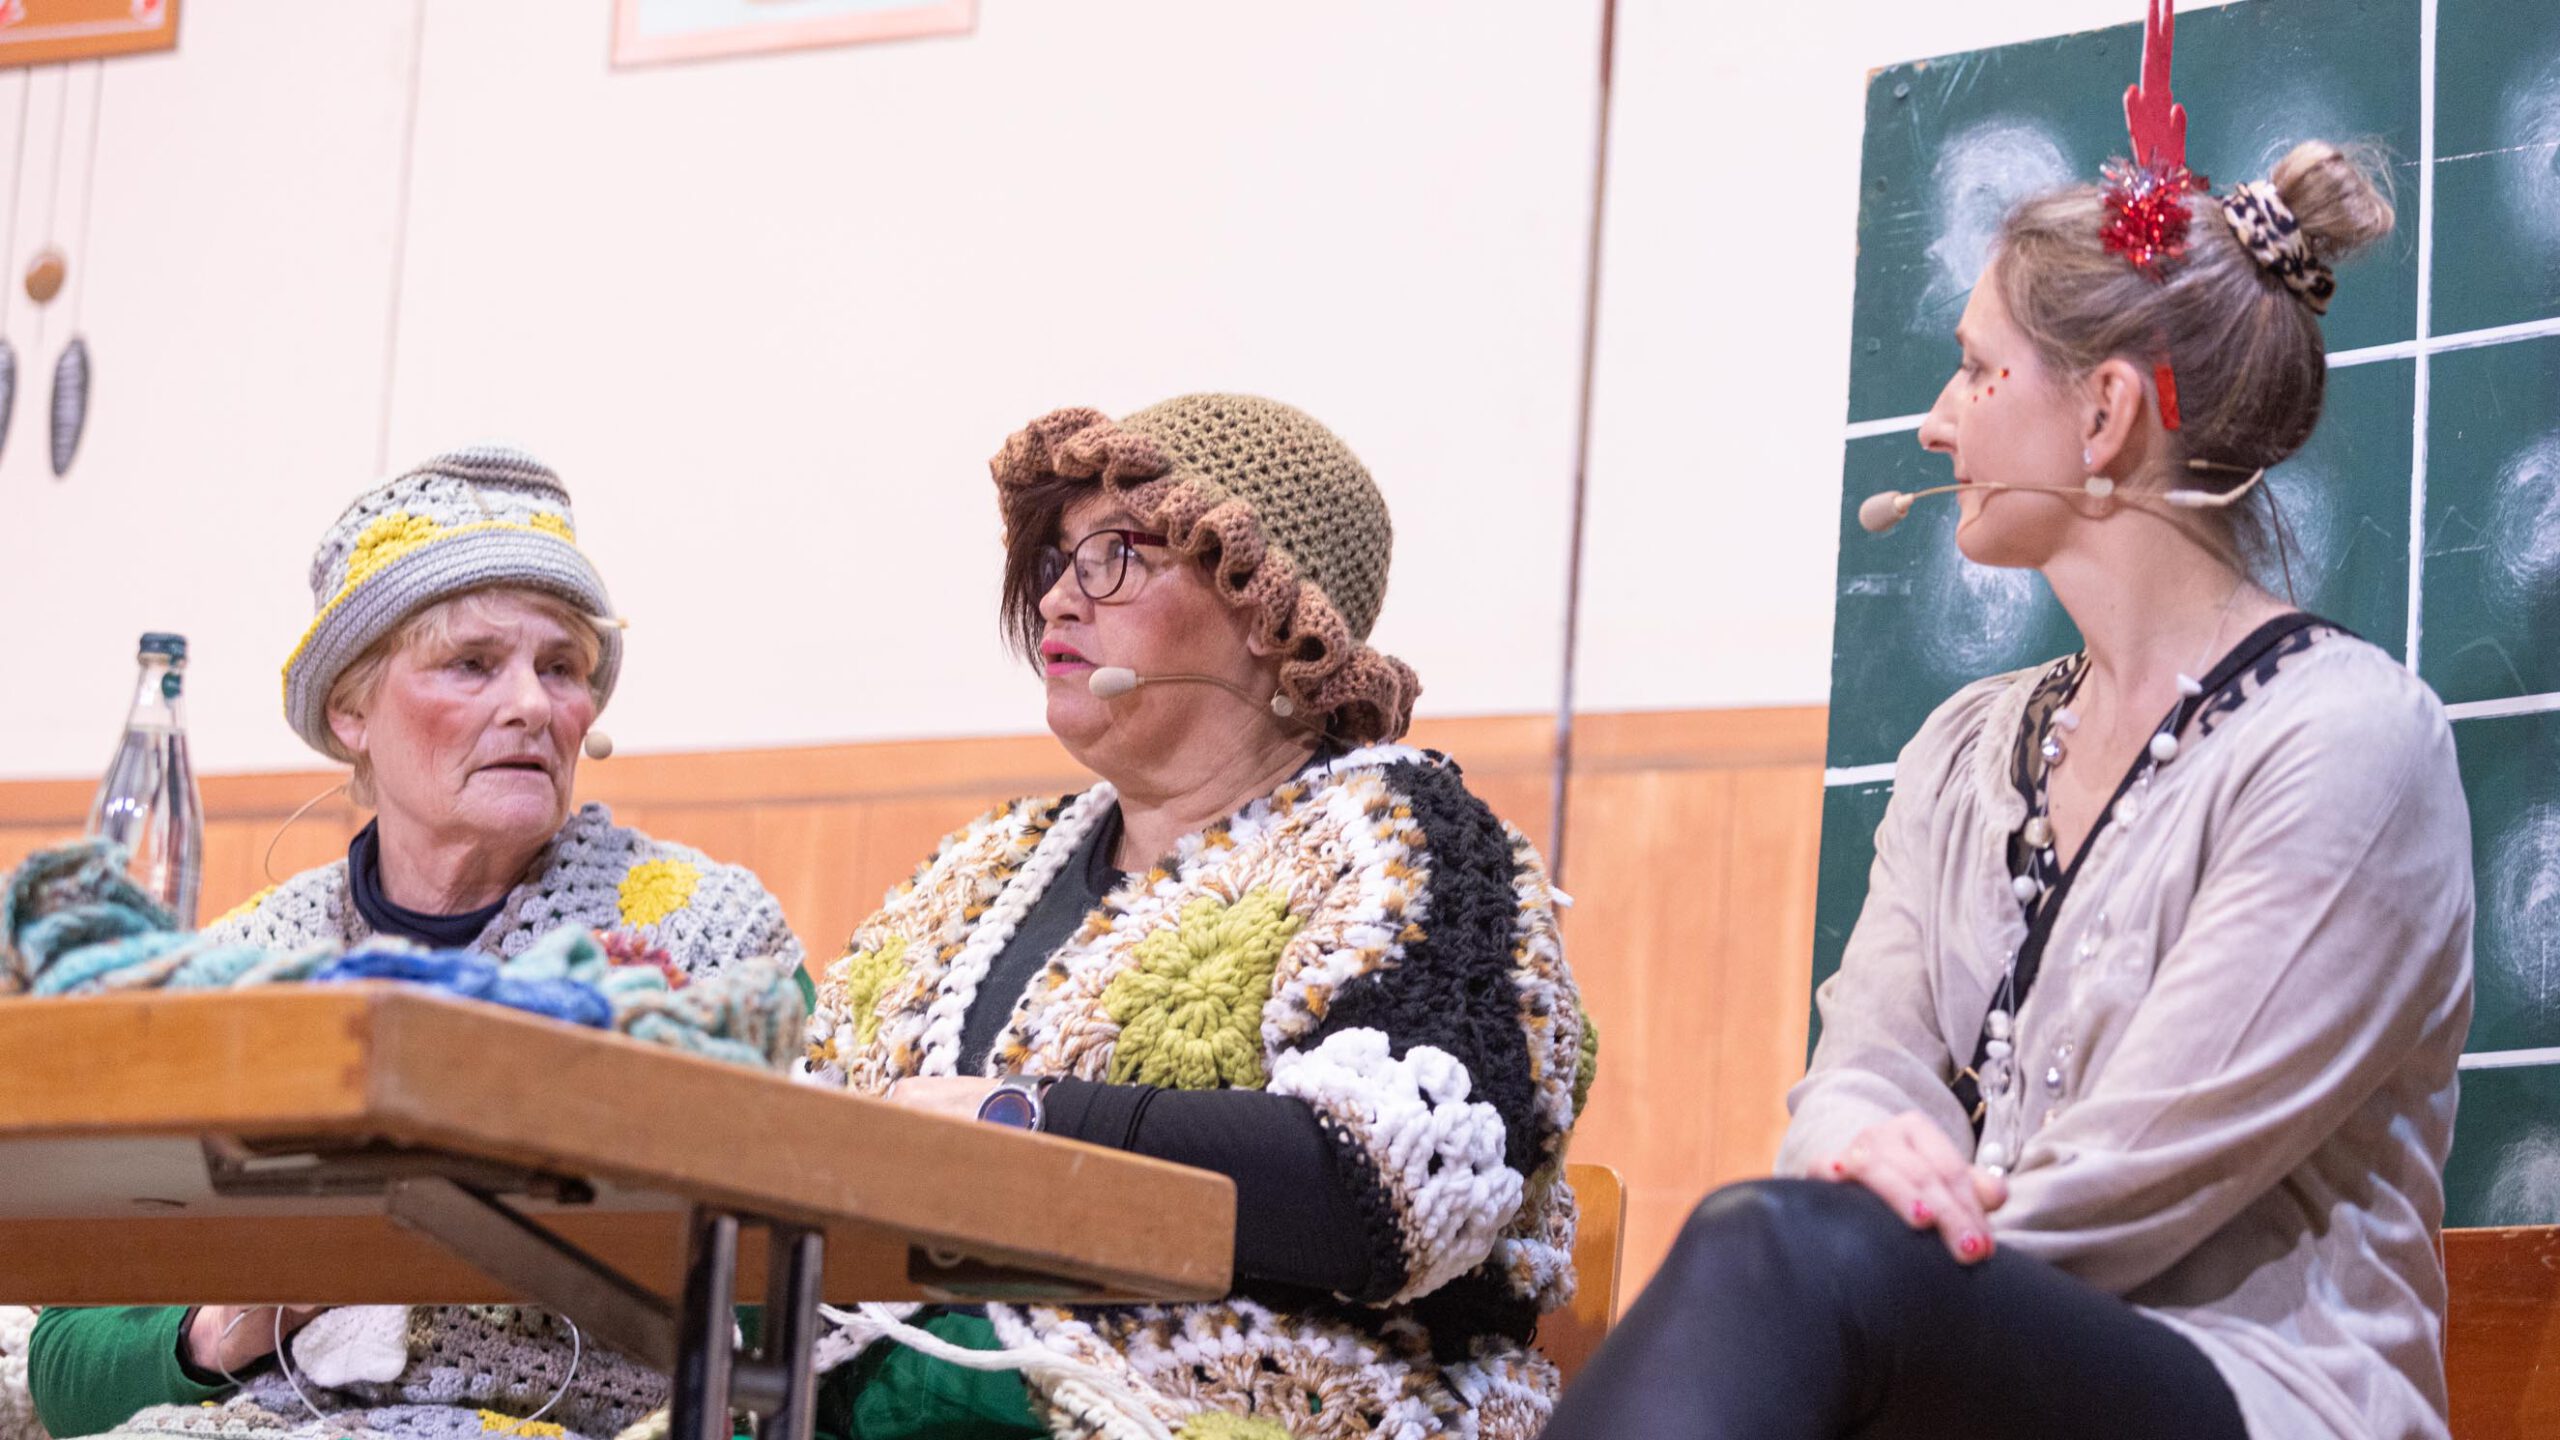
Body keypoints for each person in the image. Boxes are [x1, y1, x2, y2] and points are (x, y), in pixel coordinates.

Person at [1542, 120, 2475, 1440]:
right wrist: (1858, 1165)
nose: (1937, 423)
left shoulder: (2348, 742)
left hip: (2264, 1399)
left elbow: (2139, 1179)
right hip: (1964, 1356)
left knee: (1779, 1250)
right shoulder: (1962, 749)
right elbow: (1861, 1070)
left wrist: (1870, 1250)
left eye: (1979, 371)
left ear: (2104, 414)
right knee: (1793, 1248)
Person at [796, 394, 1590, 1439]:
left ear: (1271, 613)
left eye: (1114, 556)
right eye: (1055, 561)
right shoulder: (980, 867)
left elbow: (1400, 1178)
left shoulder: (1409, 840)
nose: (1056, 601)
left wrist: (1021, 1124)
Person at [24, 446, 804, 1440]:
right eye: (472, 664)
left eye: (560, 668)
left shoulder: (711, 946)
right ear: (350, 712)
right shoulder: (245, 970)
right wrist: (221, 1330)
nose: (533, 705)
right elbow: (62, 1365)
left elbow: (808, 1318)